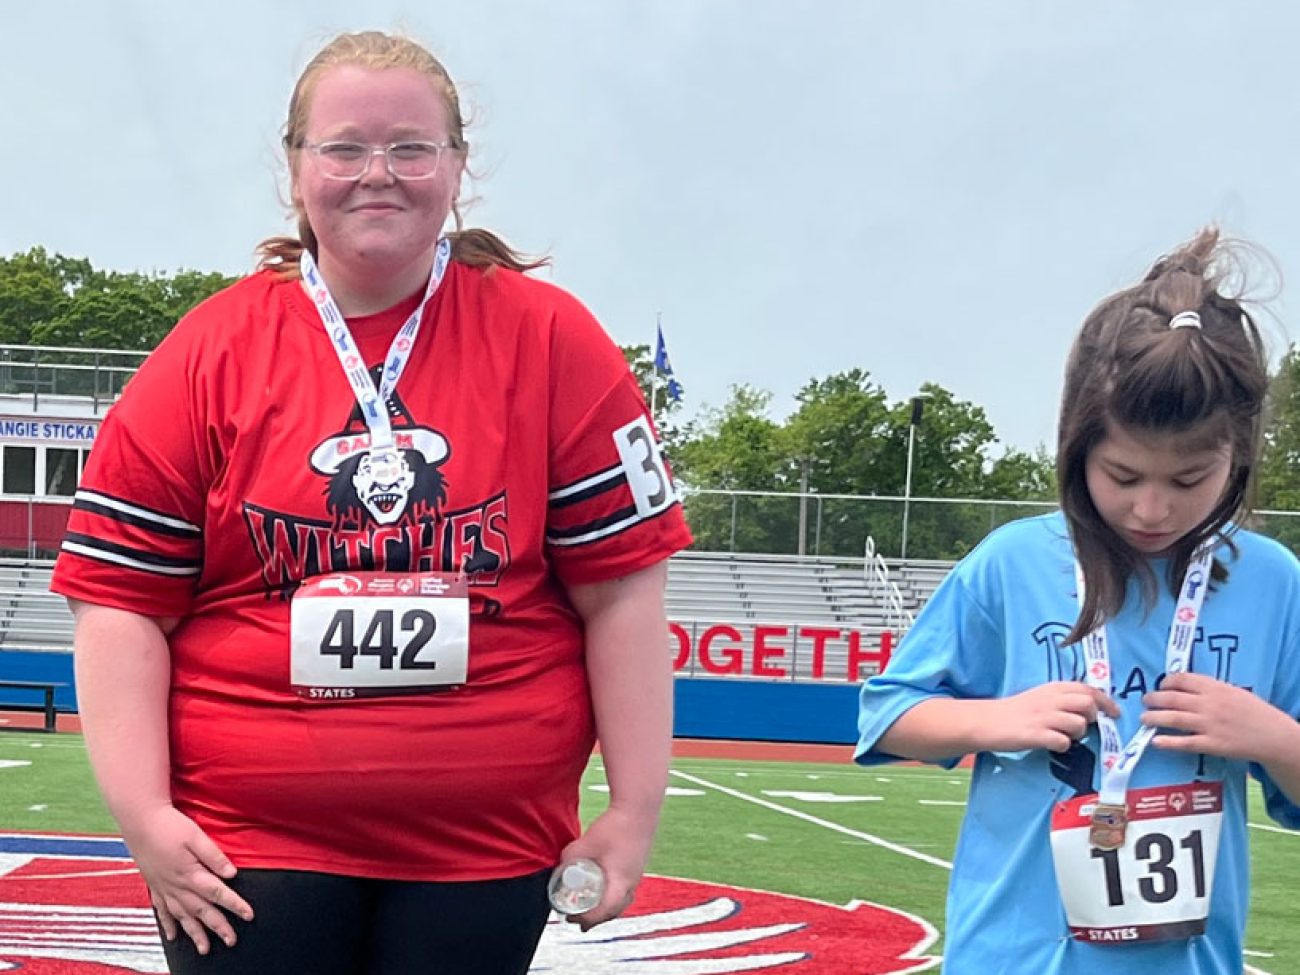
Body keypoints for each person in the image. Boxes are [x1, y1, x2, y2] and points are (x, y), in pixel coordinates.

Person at [50, 29, 691, 975]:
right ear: (296, 168)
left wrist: (634, 810)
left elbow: (625, 592)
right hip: (245, 848)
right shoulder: (208, 351)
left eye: (411, 148)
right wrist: (145, 816)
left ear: (458, 167)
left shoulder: (552, 340)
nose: (377, 174)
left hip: (485, 848)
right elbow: (117, 602)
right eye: (344, 147)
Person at [856, 228, 1300, 974]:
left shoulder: (1273, 582)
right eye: (1122, 476)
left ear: (1240, 456)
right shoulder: (1013, 563)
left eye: (1190, 479)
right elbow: (888, 716)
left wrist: (1273, 736)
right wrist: (995, 719)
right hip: (1011, 957)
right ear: (1075, 448)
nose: (1152, 508)